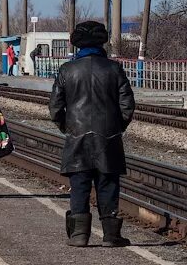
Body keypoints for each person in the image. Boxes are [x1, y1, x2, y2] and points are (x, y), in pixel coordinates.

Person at [49, 20, 136, 248]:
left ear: (77, 44)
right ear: (102, 42)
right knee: (108, 184)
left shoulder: (67, 70)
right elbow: (127, 104)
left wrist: (68, 128)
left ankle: (79, 235)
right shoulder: (114, 69)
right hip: (108, 138)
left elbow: (55, 107)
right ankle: (111, 235)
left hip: (77, 138)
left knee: (79, 185)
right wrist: (117, 128)